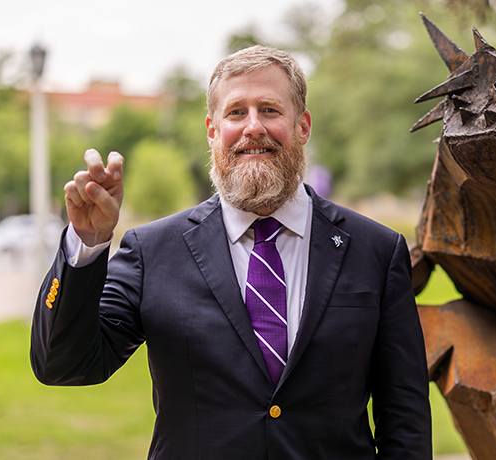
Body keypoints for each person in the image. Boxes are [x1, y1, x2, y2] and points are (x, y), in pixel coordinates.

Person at [30, 45, 432, 459]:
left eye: (270, 110)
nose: (252, 126)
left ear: (303, 126)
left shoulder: (376, 252)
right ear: (212, 130)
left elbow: (405, 419)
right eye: (236, 112)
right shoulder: (152, 252)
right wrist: (88, 244)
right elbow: (63, 364)